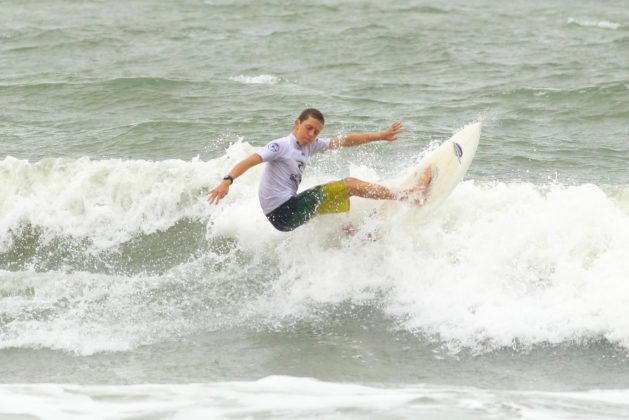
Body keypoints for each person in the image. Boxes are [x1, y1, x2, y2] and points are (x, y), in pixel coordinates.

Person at [207, 108, 431, 232]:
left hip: (284, 214)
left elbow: (346, 141)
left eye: (316, 131)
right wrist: (227, 181)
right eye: (308, 128)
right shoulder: (280, 146)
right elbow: (250, 160)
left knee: (340, 207)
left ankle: (358, 236)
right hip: (284, 210)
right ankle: (408, 195)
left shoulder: (311, 145)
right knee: (350, 184)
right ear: (297, 124)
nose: (312, 134)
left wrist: (380, 136)